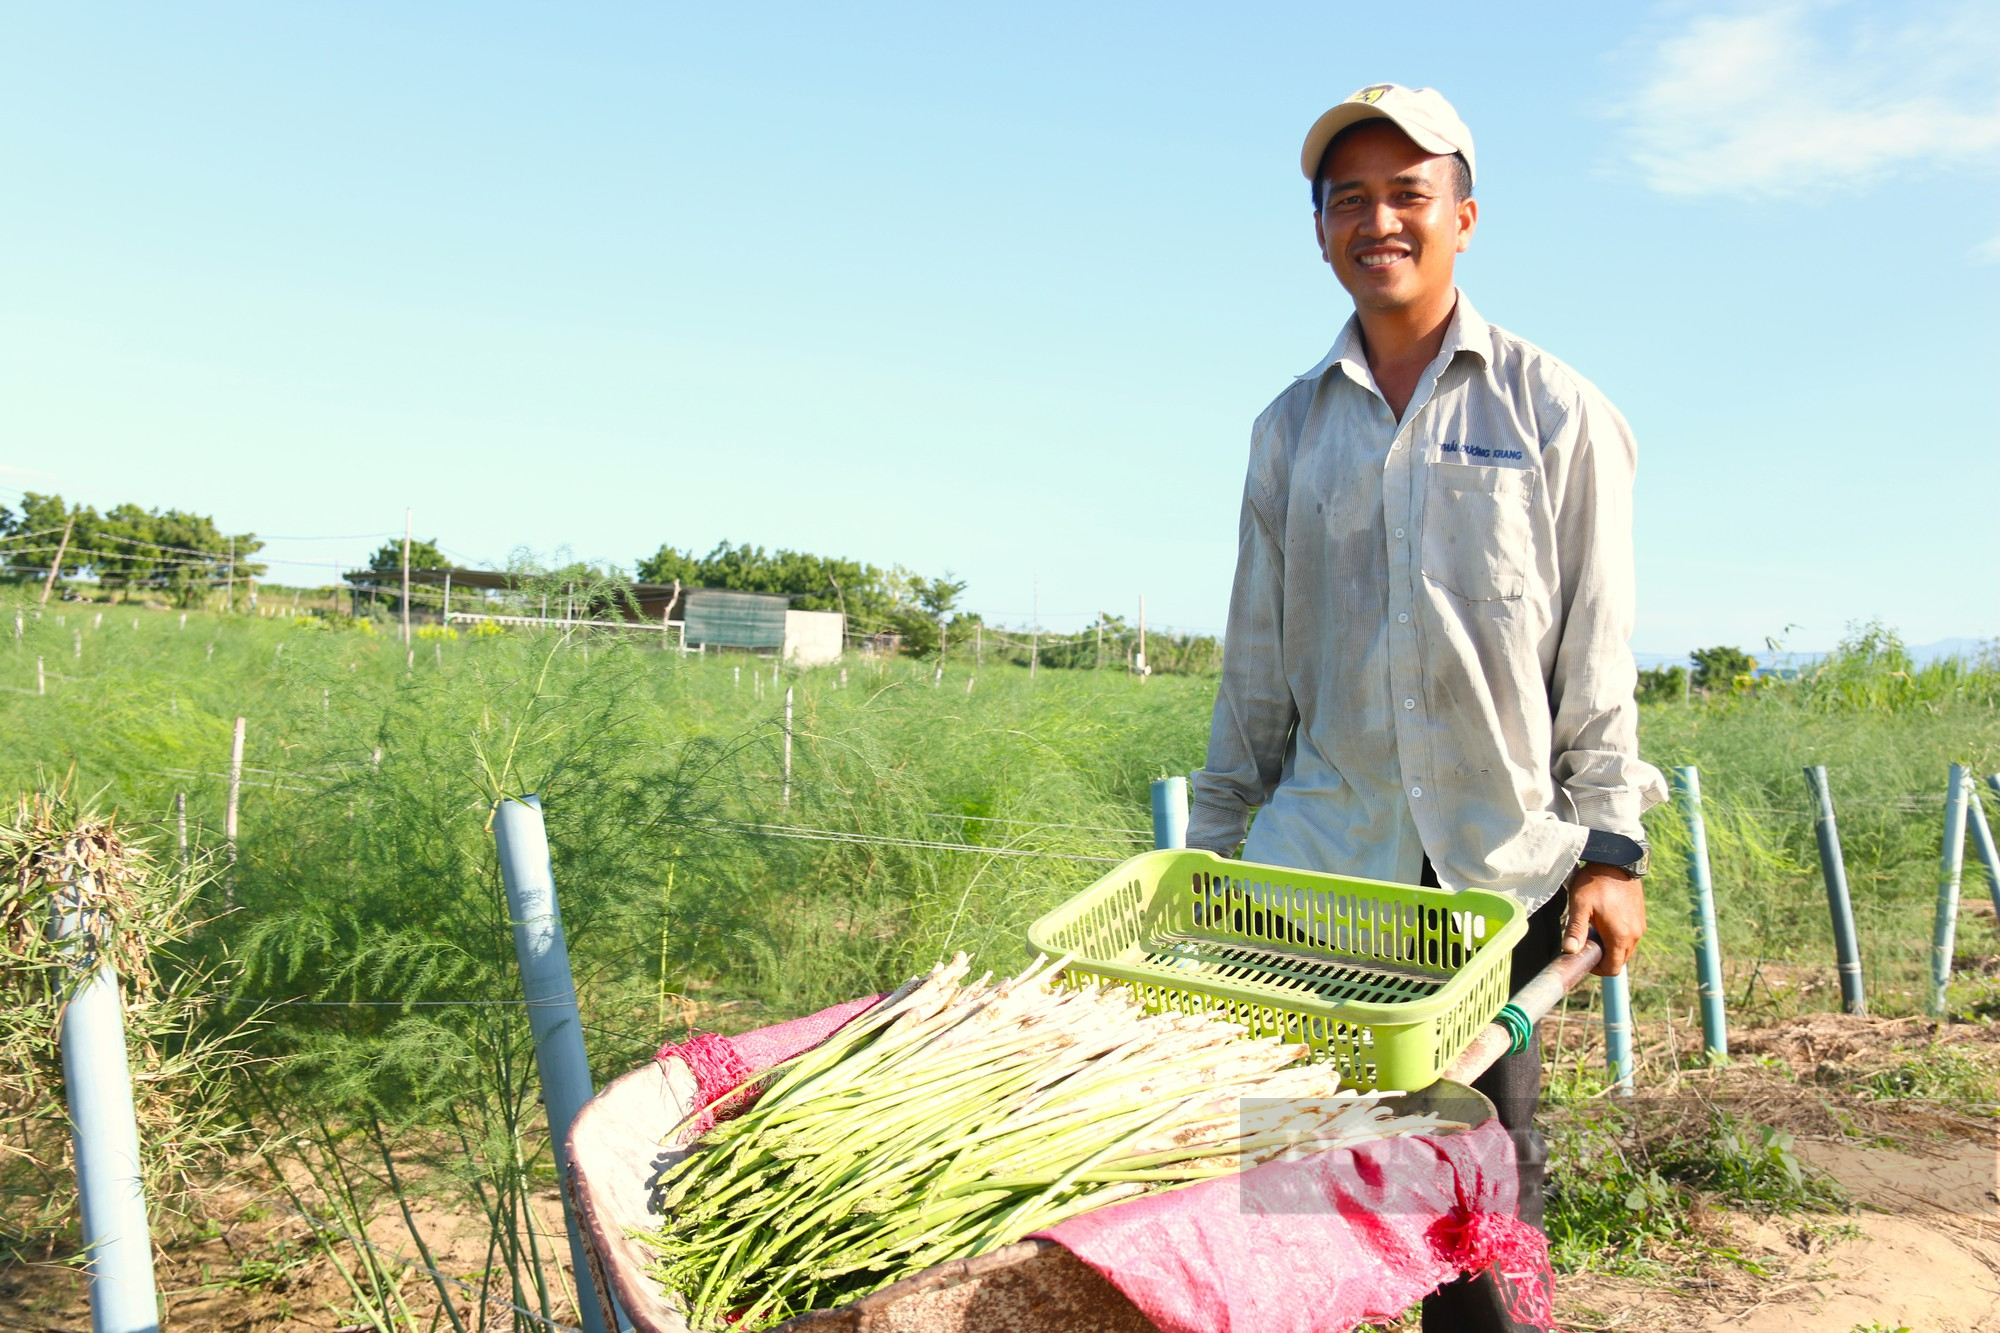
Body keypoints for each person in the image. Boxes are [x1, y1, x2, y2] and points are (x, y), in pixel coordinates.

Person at [1186, 83, 1668, 1332]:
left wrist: (1610, 850)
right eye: (1349, 199)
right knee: (1302, 1205)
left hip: (1486, 880)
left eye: (1408, 194)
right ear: (1318, 231)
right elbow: (1256, 660)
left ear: (1464, 215)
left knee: (1474, 1215)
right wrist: (1213, 845)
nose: (1378, 221)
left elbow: (1594, 649)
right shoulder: (1288, 431)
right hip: (1321, 882)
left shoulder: (1553, 411)